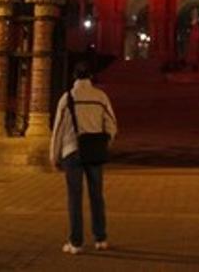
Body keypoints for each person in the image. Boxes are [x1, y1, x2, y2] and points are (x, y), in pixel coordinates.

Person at [50, 61, 117, 255]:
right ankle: (101, 238)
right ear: (91, 76)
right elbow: (112, 125)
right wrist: (104, 143)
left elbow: (58, 130)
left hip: (72, 152)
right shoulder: (100, 97)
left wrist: (54, 155)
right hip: (94, 152)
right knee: (97, 195)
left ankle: (76, 242)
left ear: (74, 77)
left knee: (74, 197)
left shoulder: (67, 98)